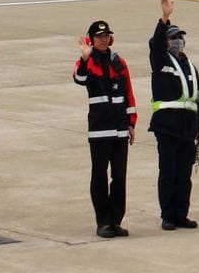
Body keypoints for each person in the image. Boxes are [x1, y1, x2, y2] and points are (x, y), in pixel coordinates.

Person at [73, 20, 137, 237]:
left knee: (119, 177)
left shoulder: (119, 62)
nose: (103, 39)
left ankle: (116, 220)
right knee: (99, 176)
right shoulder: (87, 62)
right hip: (100, 131)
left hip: (119, 131)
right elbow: (79, 79)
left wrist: (131, 123)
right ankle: (103, 222)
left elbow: (128, 93)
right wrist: (84, 57)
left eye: (106, 36)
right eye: (99, 36)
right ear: (91, 39)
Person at [148, 0, 199, 231]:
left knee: (184, 174)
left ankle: (181, 214)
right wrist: (164, 18)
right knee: (168, 172)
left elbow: (198, 98)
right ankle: (168, 215)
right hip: (167, 126)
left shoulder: (191, 67)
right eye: (174, 37)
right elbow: (155, 44)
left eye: (180, 37)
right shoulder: (160, 60)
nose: (179, 40)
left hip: (187, 128)